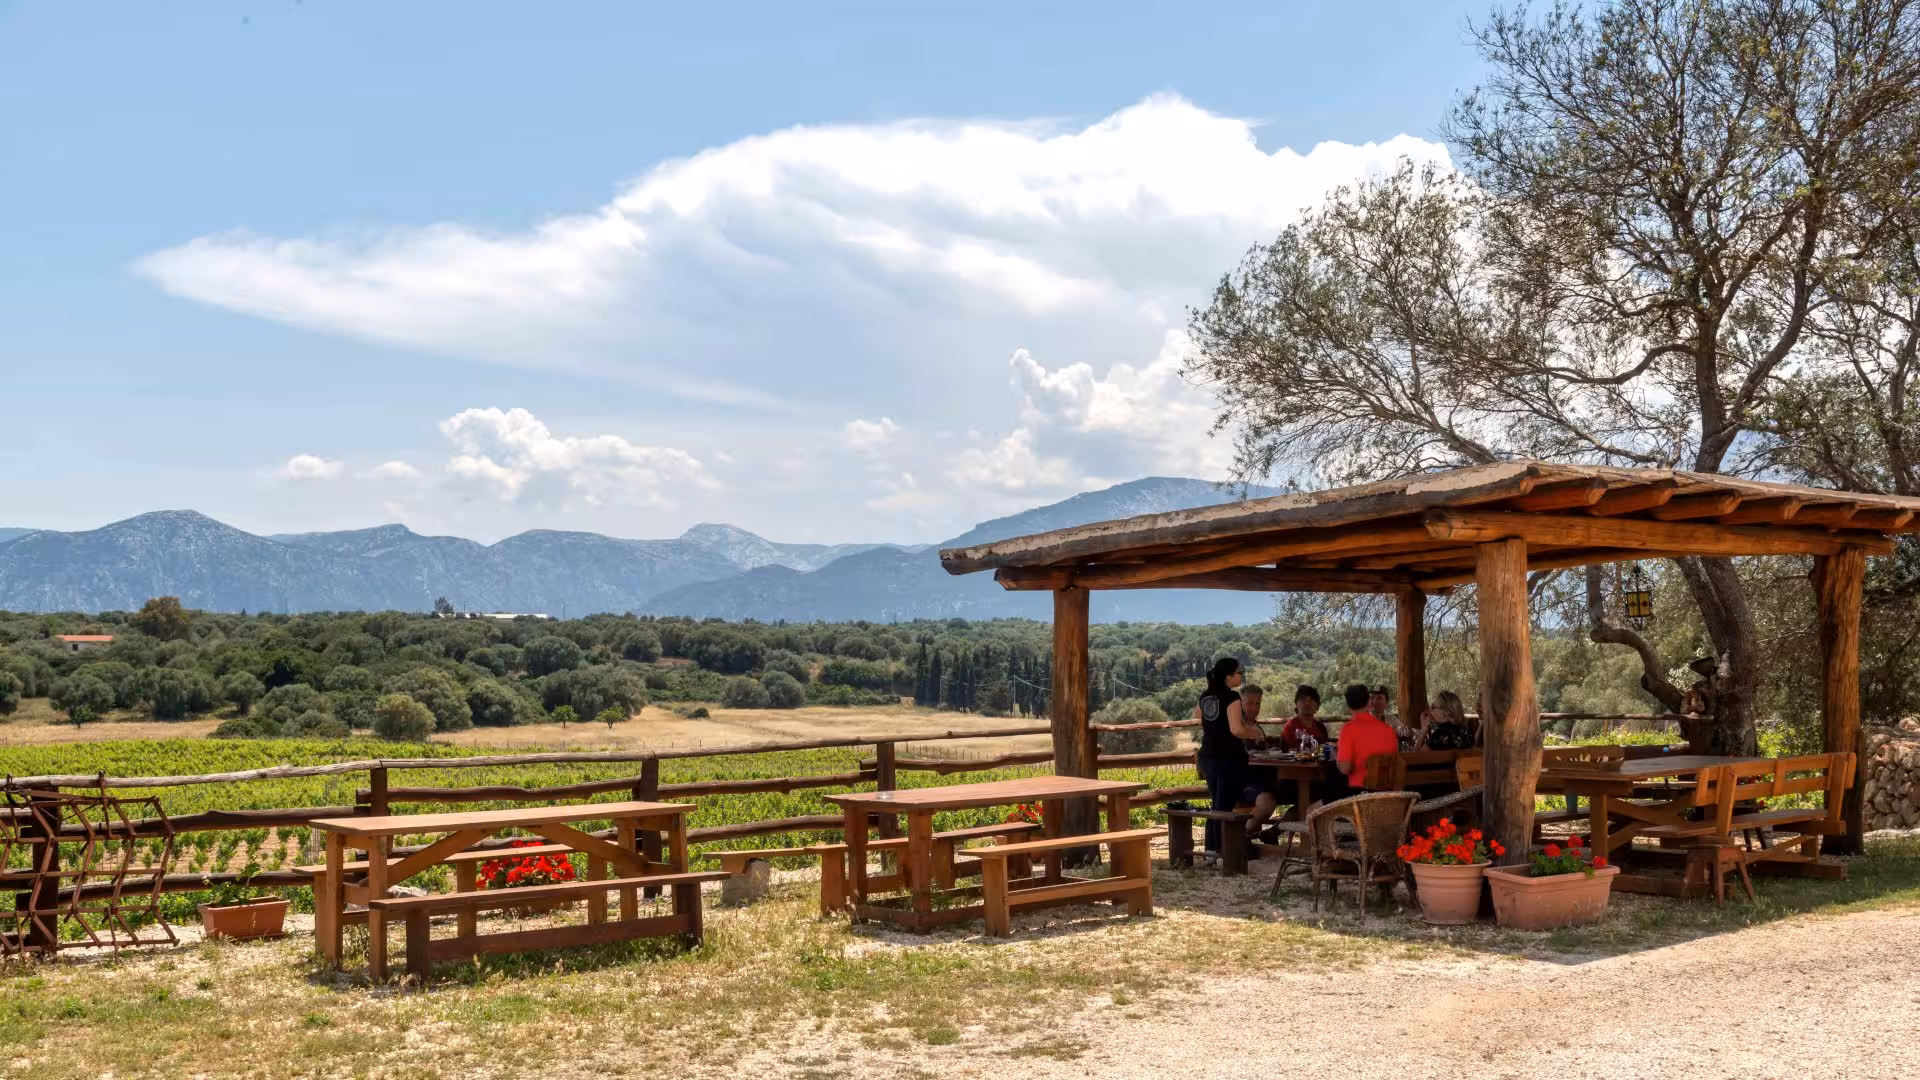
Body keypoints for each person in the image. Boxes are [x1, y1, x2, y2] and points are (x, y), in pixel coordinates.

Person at [1194, 657, 1278, 857]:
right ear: (1229, 676)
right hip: (1227, 758)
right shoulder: (1231, 697)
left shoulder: (1207, 696)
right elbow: (1237, 730)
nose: (1241, 676)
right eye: (1239, 672)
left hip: (1208, 755)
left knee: (1216, 804)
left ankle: (1212, 849)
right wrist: (1255, 734)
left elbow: (1198, 717)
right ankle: (1224, 849)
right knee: (1224, 807)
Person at [1334, 682, 1400, 795]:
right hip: (1386, 794)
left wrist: (1336, 755)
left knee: (1311, 809)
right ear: (1369, 702)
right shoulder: (1389, 730)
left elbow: (1345, 769)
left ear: (1348, 707)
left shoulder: (1348, 729)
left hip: (1358, 795)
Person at [1278, 684, 1328, 750]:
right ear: (1296, 704)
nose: (1307, 703)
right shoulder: (1290, 727)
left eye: (1311, 700)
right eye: (1303, 699)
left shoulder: (1321, 727)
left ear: (1317, 705)